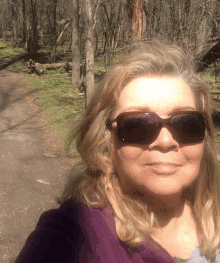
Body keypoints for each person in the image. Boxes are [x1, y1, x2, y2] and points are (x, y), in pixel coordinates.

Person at [15, 40, 220, 263]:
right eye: (137, 126)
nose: (165, 141)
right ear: (106, 141)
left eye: (186, 124)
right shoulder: (71, 236)